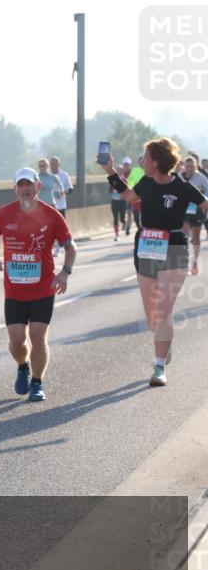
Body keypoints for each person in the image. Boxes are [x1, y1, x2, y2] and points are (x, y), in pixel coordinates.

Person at [100, 139, 208, 386]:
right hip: (147, 246)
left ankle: (159, 367)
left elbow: (205, 204)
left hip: (174, 247)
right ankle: (164, 343)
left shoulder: (182, 186)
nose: (142, 160)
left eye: (146, 156)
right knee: (152, 316)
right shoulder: (146, 183)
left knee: (163, 309)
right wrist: (110, 172)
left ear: (157, 161)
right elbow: (128, 196)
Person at [0, 168, 76, 402]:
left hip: (43, 289)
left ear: (38, 186)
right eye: (20, 185)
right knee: (17, 341)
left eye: (29, 184)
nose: (25, 189)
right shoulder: (5, 214)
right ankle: (22, 366)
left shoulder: (52, 214)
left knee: (37, 336)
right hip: (14, 291)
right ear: (15, 188)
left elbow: (70, 247)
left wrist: (65, 272)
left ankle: (37, 382)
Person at [179, 156, 208, 274]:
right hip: (184, 209)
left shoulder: (201, 178)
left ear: (195, 166)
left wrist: (203, 200)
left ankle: (195, 262)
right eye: (187, 166)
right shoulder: (180, 176)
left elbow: (207, 190)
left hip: (197, 209)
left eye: (191, 166)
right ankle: (184, 261)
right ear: (184, 167)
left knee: (196, 237)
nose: (189, 168)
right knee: (184, 234)